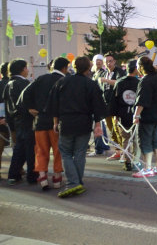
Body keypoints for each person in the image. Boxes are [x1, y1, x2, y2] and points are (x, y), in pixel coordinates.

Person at [50, 56, 107, 198]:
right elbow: (98, 107)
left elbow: (54, 105)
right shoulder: (91, 84)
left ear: (73, 67)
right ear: (88, 68)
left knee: (66, 153)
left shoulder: (62, 82)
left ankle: (73, 183)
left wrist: (55, 122)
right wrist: (98, 124)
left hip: (66, 122)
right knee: (80, 152)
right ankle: (77, 182)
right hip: (84, 122)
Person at [22, 57, 69, 190]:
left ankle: (42, 177)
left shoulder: (41, 78)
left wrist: (30, 107)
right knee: (58, 151)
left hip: (40, 121)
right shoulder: (64, 81)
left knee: (41, 151)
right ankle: (57, 178)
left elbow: (25, 94)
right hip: (57, 122)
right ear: (64, 68)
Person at [5, 59, 36, 185]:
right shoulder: (24, 83)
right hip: (28, 119)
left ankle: (13, 174)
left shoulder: (9, 83)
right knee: (30, 149)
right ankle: (32, 175)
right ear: (22, 69)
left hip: (16, 120)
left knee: (19, 148)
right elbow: (29, 101)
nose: (28, 70)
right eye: (26, 68)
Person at [132, 56, 157, 178]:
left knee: (145, 141)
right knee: (155, 139)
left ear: (141, 67)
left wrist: (136, 115)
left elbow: (142, 100)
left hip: (147, 115)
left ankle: (148, 168)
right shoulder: (156, 78)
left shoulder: (145, 81)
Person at [111, 60, 141, 172]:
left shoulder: (119, 82)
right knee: (136, 140)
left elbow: (114, 100)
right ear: (135, 69)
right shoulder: (139, 83)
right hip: (135, 114)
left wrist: (115, 115)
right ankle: (136, 161)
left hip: (122, 114)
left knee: (125, 139)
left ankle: (127, 162)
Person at [98, 53, 125, 162]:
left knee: (118, 129)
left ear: (114, 61)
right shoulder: (104, 73)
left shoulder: (119, 71)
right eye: (106, 61)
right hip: (106, 105)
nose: (108, 63)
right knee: (111, 129)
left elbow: (120, 83)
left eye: (110, 61)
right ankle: (117, 151)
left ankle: (124, 152)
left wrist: (106, 81)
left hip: (117, 105)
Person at [89, 54, 109, 156]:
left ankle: (100, 148)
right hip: (95, 102)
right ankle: (102, 146)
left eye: (100, 60)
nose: (98, 62)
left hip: (99, 102)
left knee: (99, 125)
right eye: (97, 60)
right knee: (100, 125)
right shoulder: (94, 73)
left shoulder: (103, 73)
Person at [0, 62, 14, 178]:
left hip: (2, 120)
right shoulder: (12, 84)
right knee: (17, 146)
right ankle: (17, 170)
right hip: (12, 120)